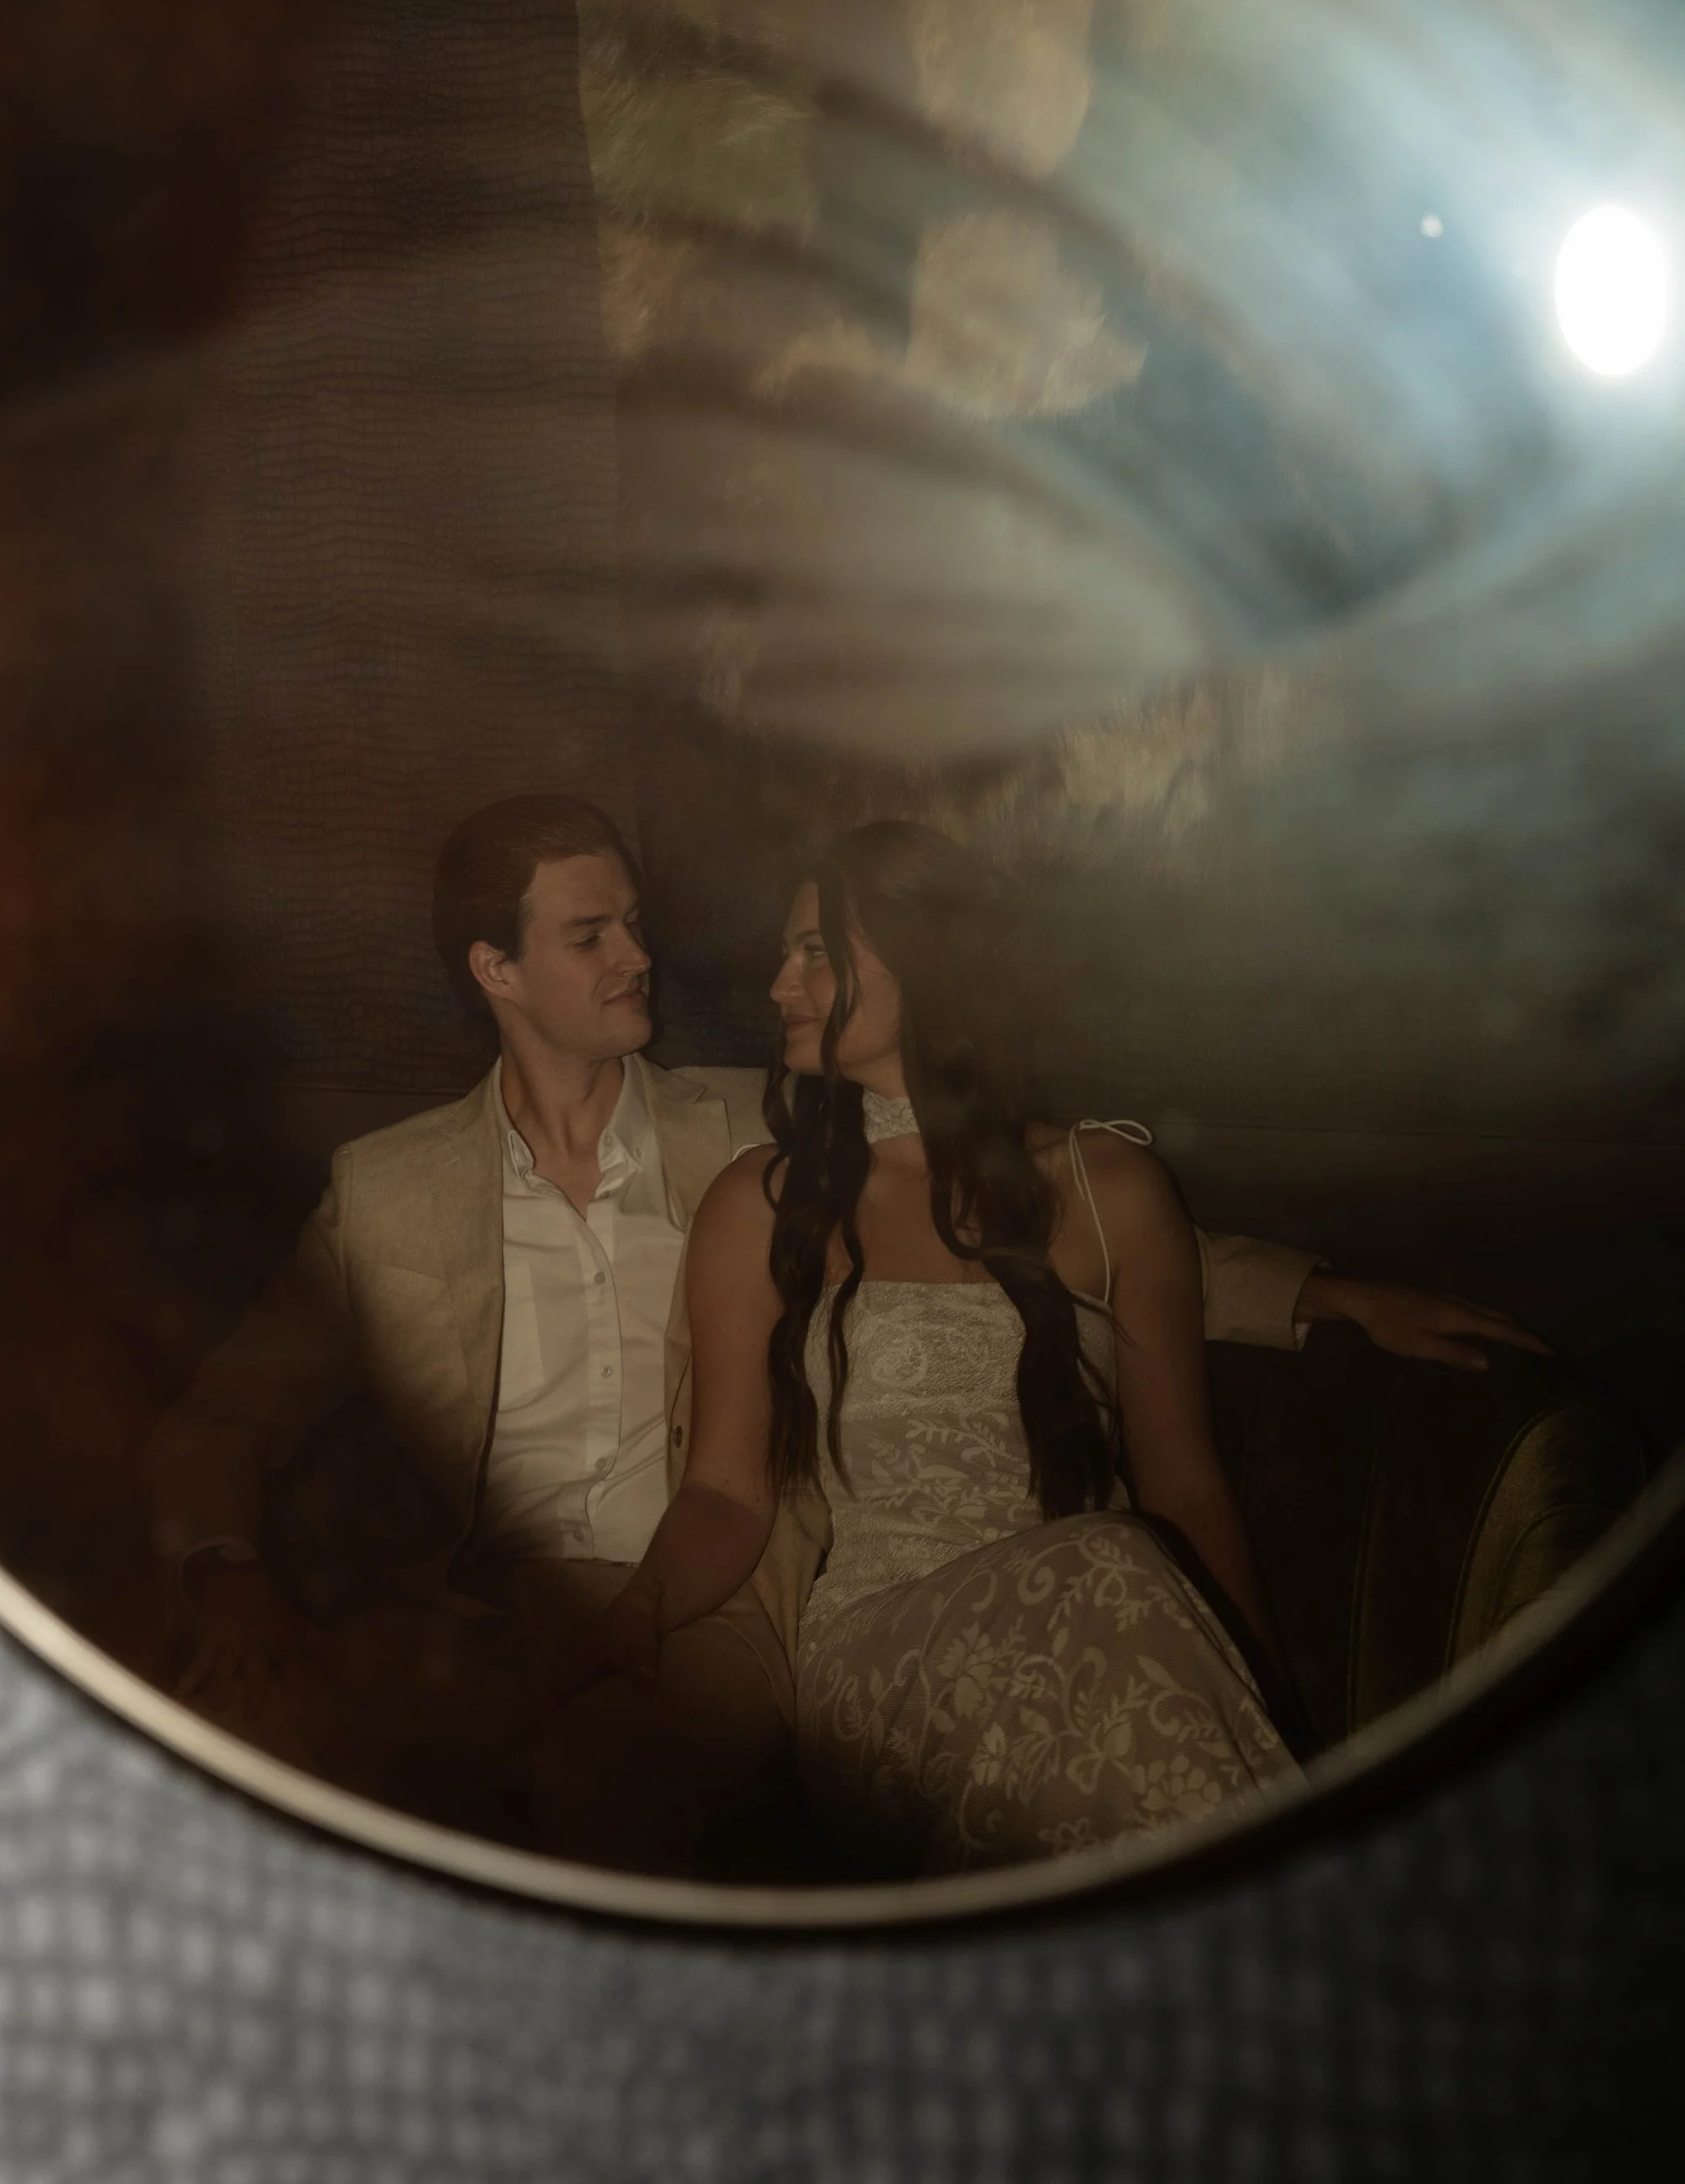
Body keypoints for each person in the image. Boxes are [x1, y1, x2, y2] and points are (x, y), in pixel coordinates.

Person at [147, 794, 1540, 1878]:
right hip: (486, 1612)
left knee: (1083, 1586)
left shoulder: (741, 1138)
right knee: (222, 1747)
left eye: (638, 921)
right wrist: (225, 1571)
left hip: (733, 1610)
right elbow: (225, 1414)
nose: (648, 956)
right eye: (593, 935)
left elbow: (1071, 1241)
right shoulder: (401, 1190)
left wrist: (1319, 1295)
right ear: (494, 968)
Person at [583, 823, 1317, 1873]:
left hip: (1109, 1630)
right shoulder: (763, 1202)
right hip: (882, 1658)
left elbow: (1186, 1490)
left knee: (1107, 1574)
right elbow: (726, 1492)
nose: (779, 983)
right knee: (1106, 1562)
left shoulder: (1110, 1188)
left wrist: (1266, 1711)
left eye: (815, 953)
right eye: (784, 953)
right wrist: (643, 1604)